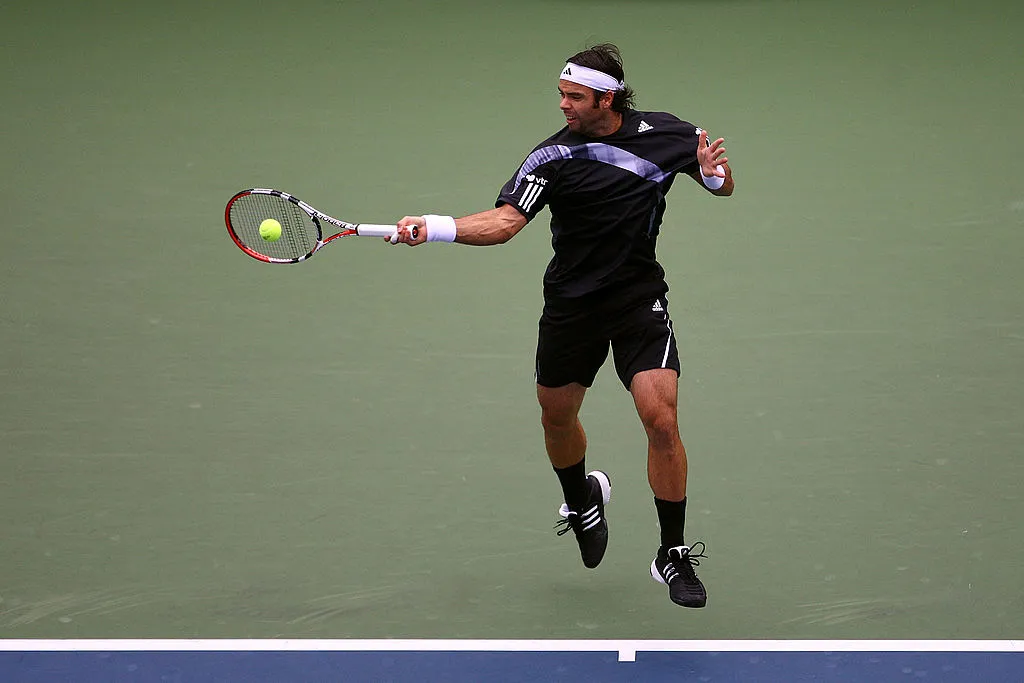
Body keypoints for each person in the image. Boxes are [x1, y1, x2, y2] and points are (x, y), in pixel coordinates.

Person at [389, 43, 734, 609]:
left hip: (636, 297)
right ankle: (581, 498)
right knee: (557, 416)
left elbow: (721, 183)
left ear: (608, 97)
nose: (563, 105)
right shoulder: (549, 158)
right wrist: (434, 225)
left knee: (661, 418)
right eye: (561, 94)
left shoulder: (668, 135)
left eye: (575, 97)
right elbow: (504, 223)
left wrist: (716, 178)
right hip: (572, 304)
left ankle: (671, 554)